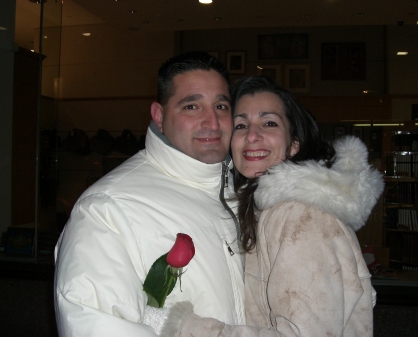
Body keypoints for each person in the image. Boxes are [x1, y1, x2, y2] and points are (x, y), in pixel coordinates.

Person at [158, 76, 384, 337]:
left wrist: (183, 327)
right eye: (241, 125)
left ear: (293, 145)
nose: (252, 135)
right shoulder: (265, 209)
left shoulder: (300, 216)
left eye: (269, 123)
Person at [53, 51, 246, 337]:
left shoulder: (243, 195)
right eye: (192, 107)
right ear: (159, 115)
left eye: (221, 106)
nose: (212, 122)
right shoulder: (107, 208)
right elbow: (94, 324)